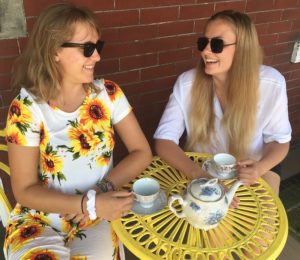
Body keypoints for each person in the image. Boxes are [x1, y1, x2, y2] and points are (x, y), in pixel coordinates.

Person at [4, 3, 152, 259]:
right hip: (39, 222)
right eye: (87, 49)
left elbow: (142, 152)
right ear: (54, 51)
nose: (97, 57)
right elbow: (24, 190)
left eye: (98, 47)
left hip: (98, 216)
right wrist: (85, 203)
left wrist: (101, 192)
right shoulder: (27, 108)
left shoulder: (108, 94)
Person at [154, 10, 291, 195]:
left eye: (217, 44)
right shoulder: (187, 84)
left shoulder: (271, 83)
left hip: (254, 166)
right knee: (211, 221)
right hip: (203, 167)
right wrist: (198, 174)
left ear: (243, 48)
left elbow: (279, 140)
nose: (205, 51)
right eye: (203, 42)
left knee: (265, 221)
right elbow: (164, 139)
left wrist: (259, 168)